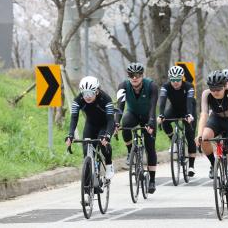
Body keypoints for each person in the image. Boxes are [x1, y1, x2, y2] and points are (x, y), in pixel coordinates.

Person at [196, 70, 228, 208]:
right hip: (216, 119)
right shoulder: (206, 94)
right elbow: (204, 115)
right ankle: (213, 163)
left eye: (218, 89)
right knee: (205, 138)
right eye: (212, 89)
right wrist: (199, 134)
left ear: (225, 86)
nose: (215, 92)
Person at [115, 62, 159, 193]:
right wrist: (116, 123)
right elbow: (120, 106)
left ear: (142, 75)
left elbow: (153, 107)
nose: (134, 78)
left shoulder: (151, 86)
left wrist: (151, 122)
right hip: (132, 113)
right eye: (131, 75)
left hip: (147, 115)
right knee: (125, 124)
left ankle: (152, 180)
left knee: (150, 146)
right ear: (128, 76)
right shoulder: (123, 86)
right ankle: (130, 151)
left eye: (138, 75)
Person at [66, 76, 116, 187]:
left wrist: (108, 135)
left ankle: (109, 165)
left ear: (97, 91)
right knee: (86, 151)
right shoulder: (78, 100)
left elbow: (110, 120)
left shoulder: (106, 99)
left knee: (103, 143)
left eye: (90, 93)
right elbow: (74, 119)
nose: (87, 97)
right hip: (91, 125)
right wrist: (70, 135)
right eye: (84, 93)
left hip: (105, 124)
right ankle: (89, 182)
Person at [158, 65, 197, 177]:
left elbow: (189, 101)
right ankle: (174, 141)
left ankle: (191, 166)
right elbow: (162, 101)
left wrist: (189, 114)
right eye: (173, 79)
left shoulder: (189, 86)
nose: (175, 82)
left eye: (178, 79)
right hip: (174, 109)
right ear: (170, 78)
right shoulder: (166, 86)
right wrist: (161, 114)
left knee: (190, 135)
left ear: (182, 78)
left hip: (188, 109)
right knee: (165, 120)